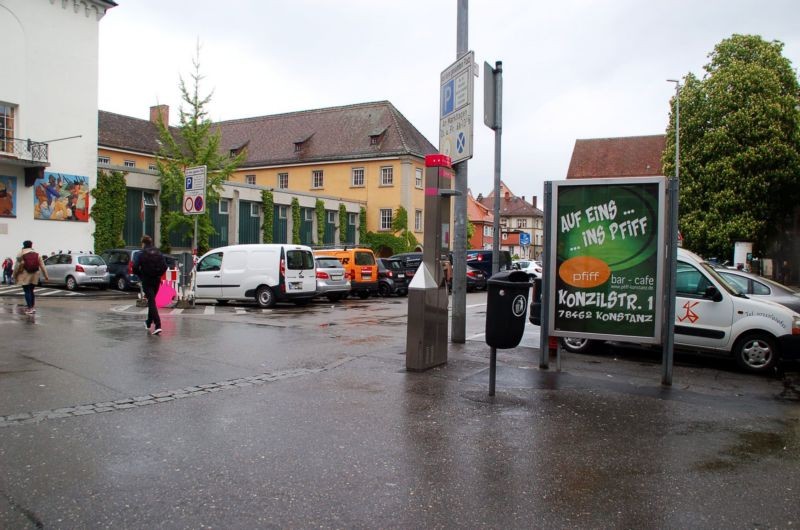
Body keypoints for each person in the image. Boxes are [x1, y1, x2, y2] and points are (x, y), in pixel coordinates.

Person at [132, 235, 166, 335]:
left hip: (147, 280)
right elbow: (164, 266)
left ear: (143, 243)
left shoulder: (140, 253)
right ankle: (148, 322)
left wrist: (140, 275)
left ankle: (158, 325)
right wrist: (159, 274)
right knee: (152, 301)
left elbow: (134, 267)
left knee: (151, 302)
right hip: (156, 280)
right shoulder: (158, 252)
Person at [14, 240, 48, 314]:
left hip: (25, 274)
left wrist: (14, 275)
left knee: (27, 290)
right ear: (31, 245)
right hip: (35, 274)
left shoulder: (21, 253)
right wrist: (46, 276)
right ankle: (32, 307)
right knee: (31, 290)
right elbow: (42, 266)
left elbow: (17, 266)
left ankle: (29, 308)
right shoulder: (37, 254)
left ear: (24, 245)